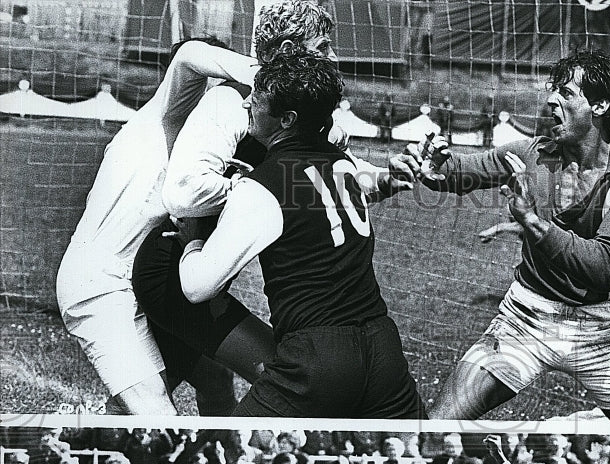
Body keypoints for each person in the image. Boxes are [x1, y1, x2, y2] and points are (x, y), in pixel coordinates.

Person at [142, 48, 426, 419]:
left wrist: (194, 237)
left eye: (257, 100)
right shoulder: (342, 164)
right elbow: (358, 188)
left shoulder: (263, 185)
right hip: (384, 350)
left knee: (229, 455)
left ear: (287, 119)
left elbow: (196, 287)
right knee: (419, 450)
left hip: (317, 360)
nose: (246, 104)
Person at [410, 50, 610, 422]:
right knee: (439, 425)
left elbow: (603, 268)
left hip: (602, 335)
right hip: (526, 319)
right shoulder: (533, 153)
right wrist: (435, 166)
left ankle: (585, 423)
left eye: (566, 93)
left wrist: (531, 220)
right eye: (552, 91)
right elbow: (464, 169)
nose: (550, 100)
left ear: (601, 105)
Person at [55, 39, 258, 414]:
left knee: (214, 380)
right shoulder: (164, 115)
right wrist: (257, 72)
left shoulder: (202, 154)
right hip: (99, 285)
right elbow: (189, 55)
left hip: (150, 287)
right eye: (220, 84)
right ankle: (85, 436)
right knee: (155, 408)